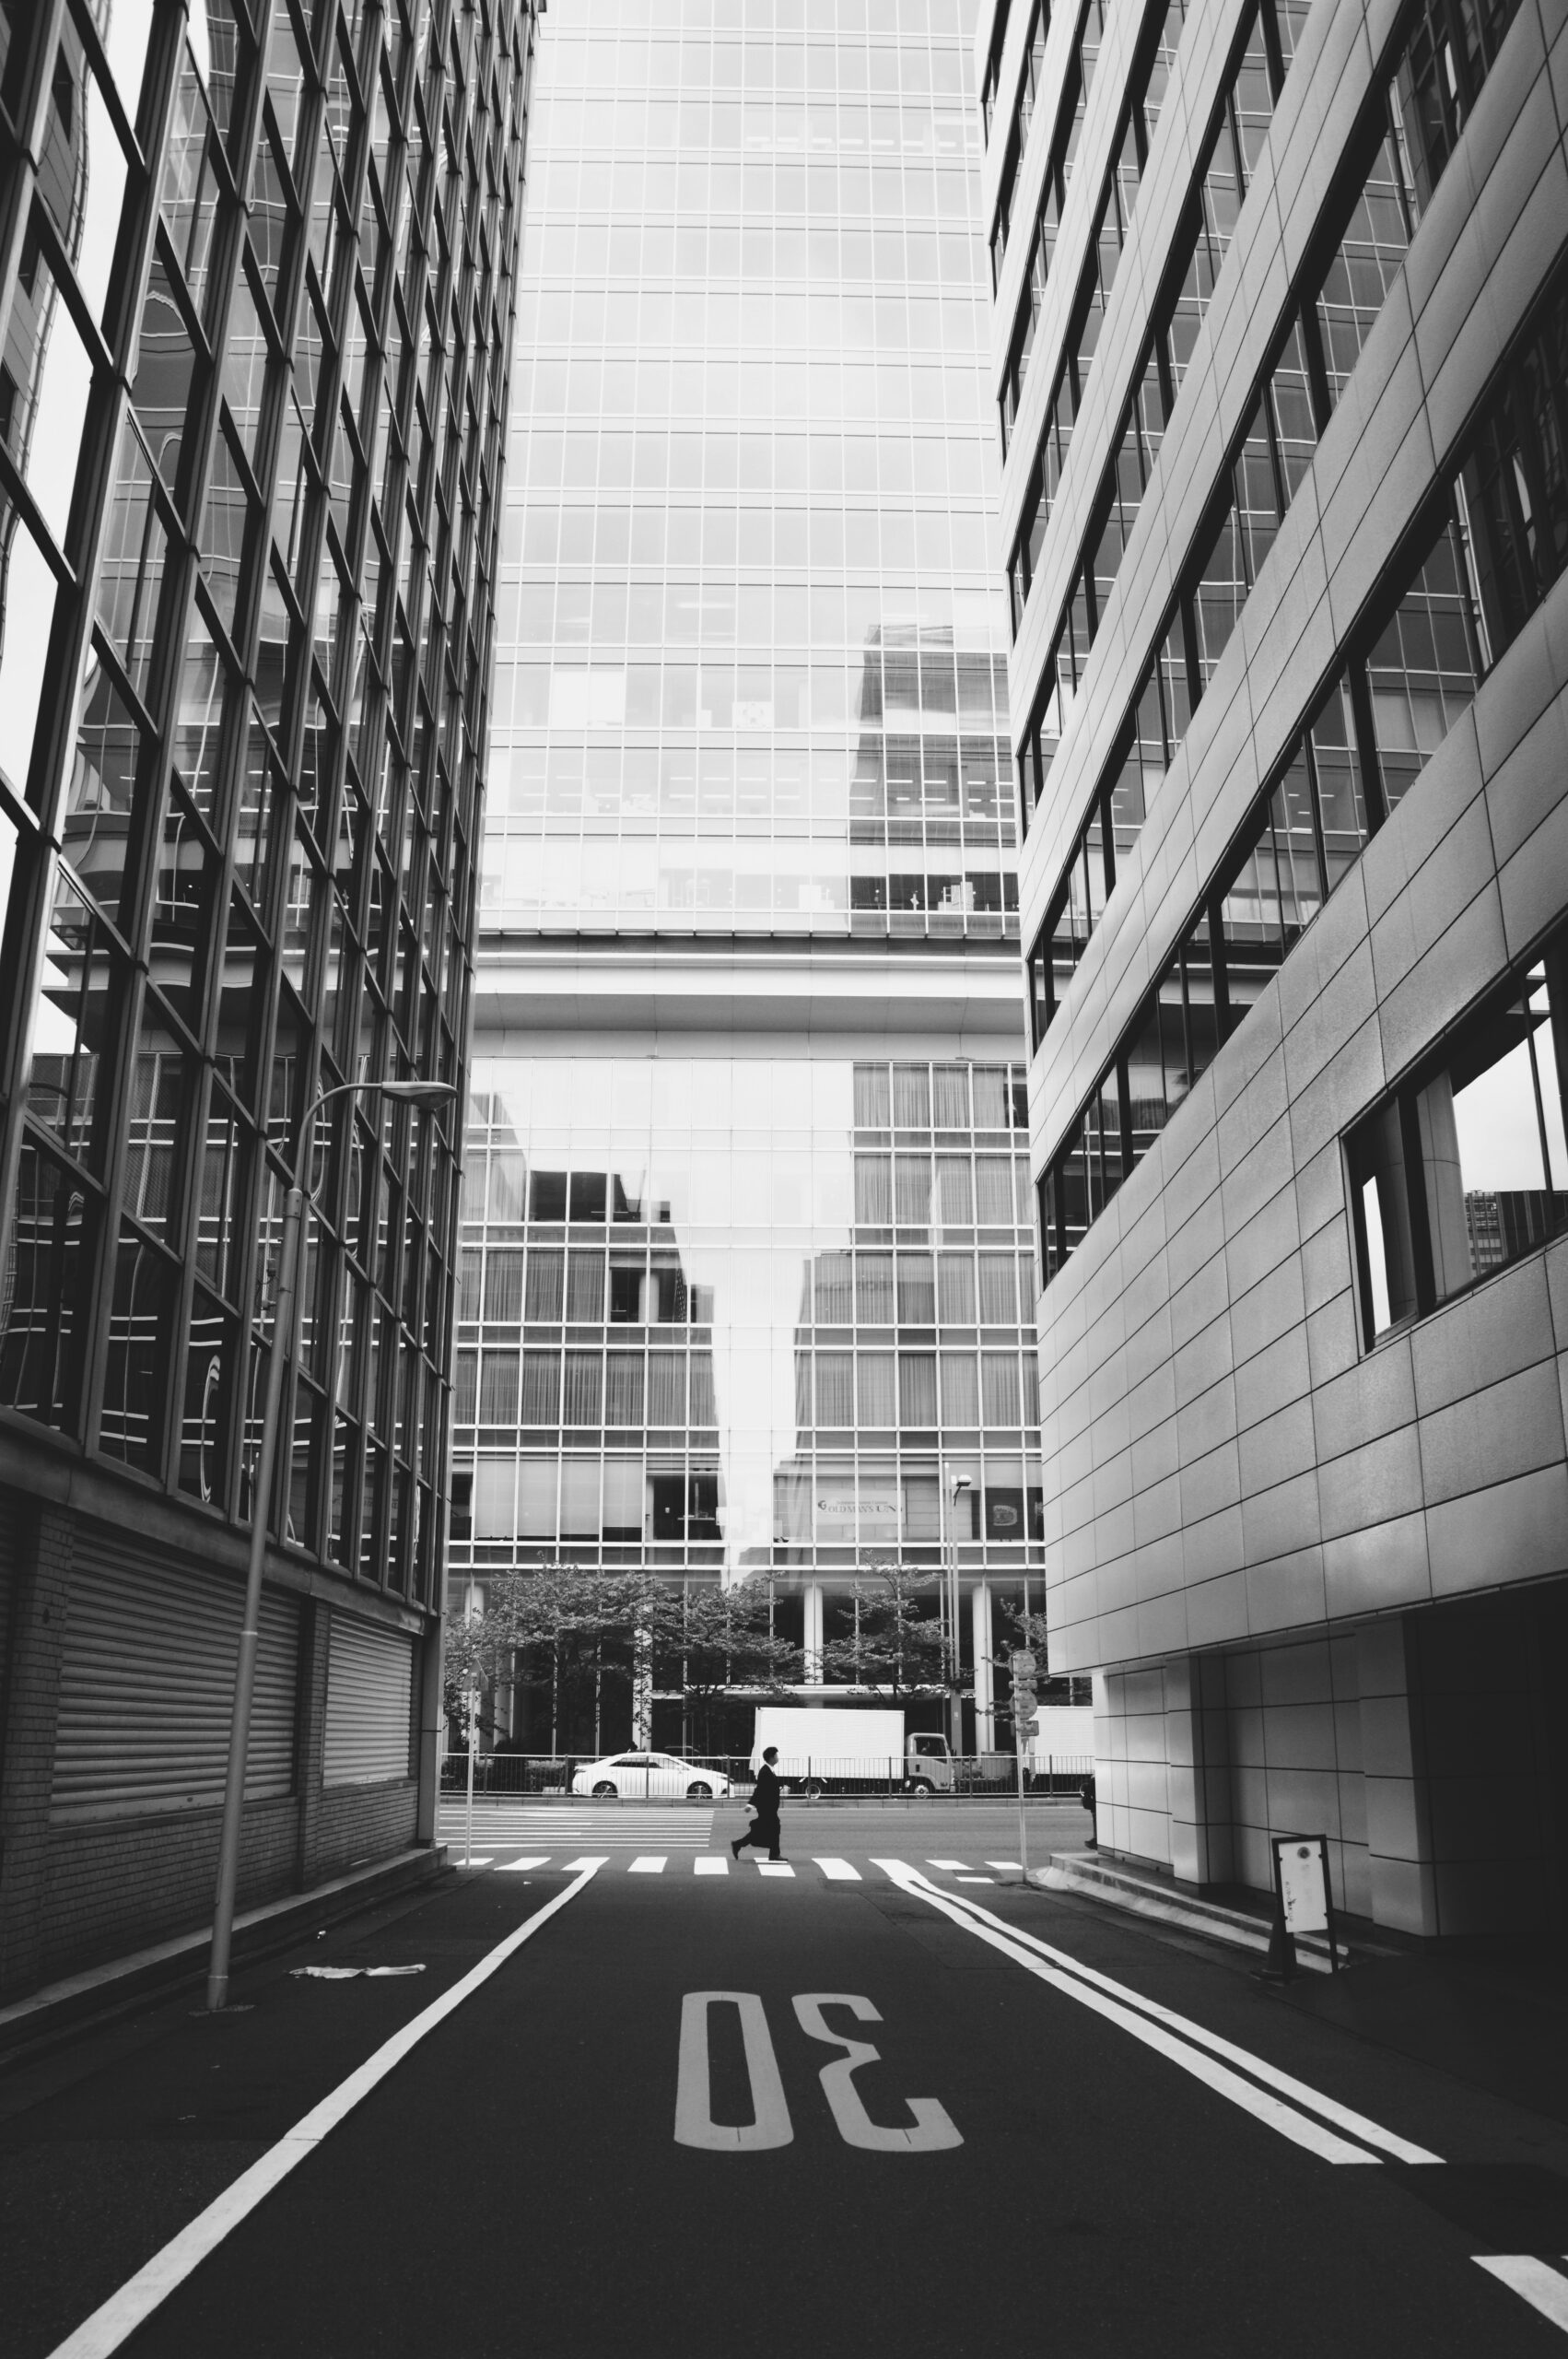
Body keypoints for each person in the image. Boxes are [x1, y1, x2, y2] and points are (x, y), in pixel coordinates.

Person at [732, 1745, 786, 1861]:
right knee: (774, 1828)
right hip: (766, 1807)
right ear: (771, 1758)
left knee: (766, 1829)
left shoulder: (769, 1770)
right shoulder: (765, 1771)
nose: (777, 1757)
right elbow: (760, 1790)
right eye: (776, 1755)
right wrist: (750, 1805)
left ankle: (738, 1844)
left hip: (769, 1807)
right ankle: (774, 1854)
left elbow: (768, 1787)